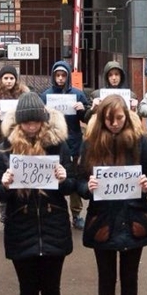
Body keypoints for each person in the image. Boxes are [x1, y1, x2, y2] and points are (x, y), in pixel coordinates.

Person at [0, 93, 74, 295]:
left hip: (52, 224)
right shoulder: (5, 149)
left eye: (35, 122)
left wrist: (64, 178)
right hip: (21, 224)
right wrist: (4, 184)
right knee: (27, 289)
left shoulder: (57, 145)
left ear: (43, 121)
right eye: (26, 122)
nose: (31, 127)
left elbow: (72, 186)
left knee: (51, 288)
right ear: (19, 122)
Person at [78, 95, 147, 295]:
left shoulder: (139, 141)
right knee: (106, 279)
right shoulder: (90, 144)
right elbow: (79, 183)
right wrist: (86, 189)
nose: (114, 124)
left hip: (133, 217)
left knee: (130, 278)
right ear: (102, 119)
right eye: (109, 119)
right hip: (103, 220)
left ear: (126, 117)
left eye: (119, 119)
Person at [41, 60, 91, 229]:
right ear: (53, 76)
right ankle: (53, 210)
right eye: (58, 75)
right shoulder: (46, 95)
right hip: (54, 143)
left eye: (63, 75)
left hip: (74, 141)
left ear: (68, 76)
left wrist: (82, 109)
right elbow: (39, 120)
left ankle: (76, 214)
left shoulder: (77, 94)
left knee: (74, 178)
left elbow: (87, 118)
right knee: (56, 176)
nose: (60, 79)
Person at [0, 64, 31, 133]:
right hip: (1, 134)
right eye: (6, 78)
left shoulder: (23, 95)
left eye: (12, 78)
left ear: (16, 80)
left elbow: (29, 117)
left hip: (20, 133)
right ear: (1, 79)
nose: (9, 81)